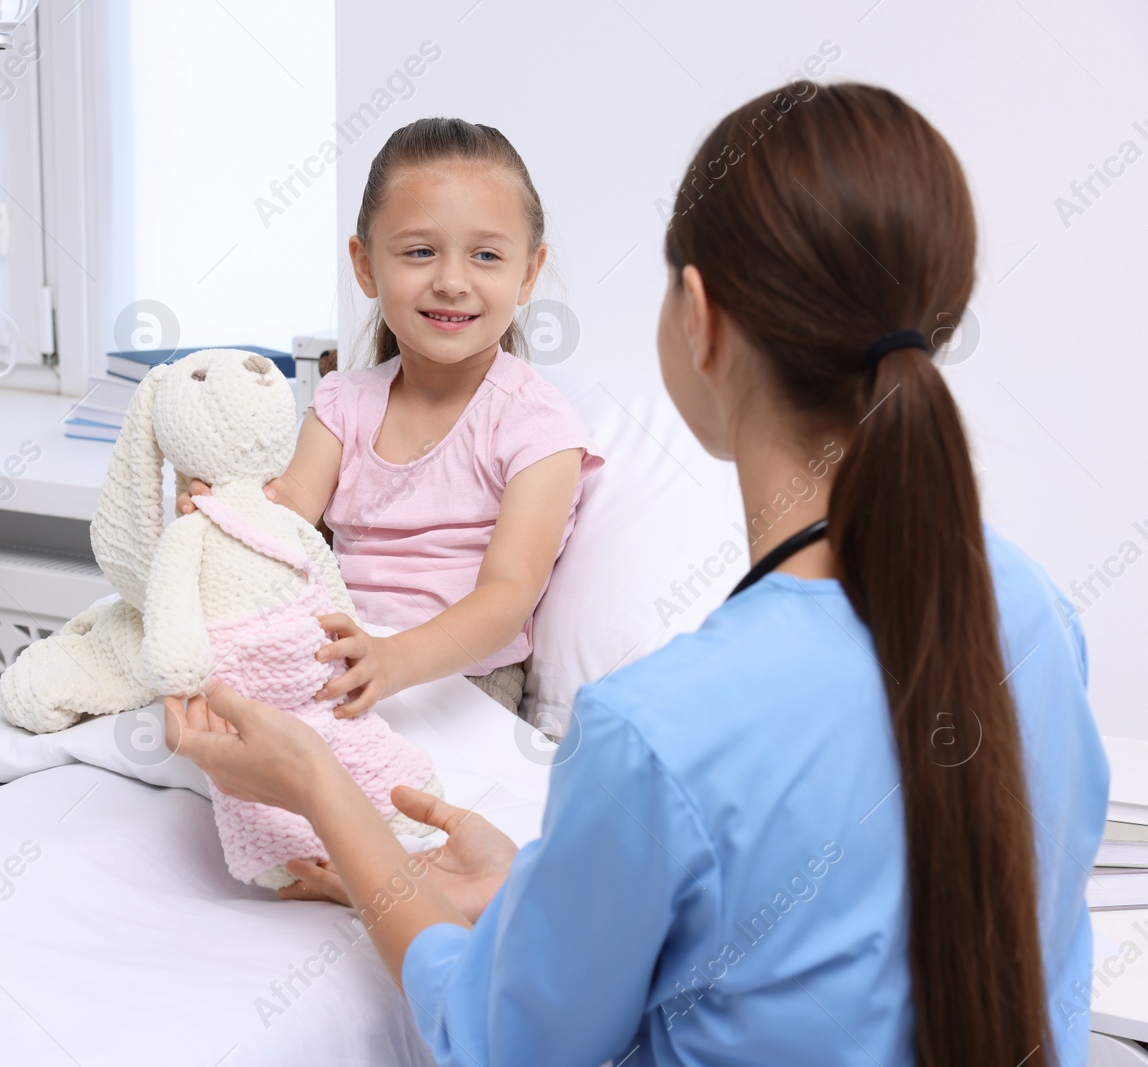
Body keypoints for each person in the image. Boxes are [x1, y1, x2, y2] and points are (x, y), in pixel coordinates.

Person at [164, 83, 1109, 1066]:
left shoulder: (653, 731)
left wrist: (321, 786)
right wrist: (536, 877)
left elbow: (494, 1044)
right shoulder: (1033, 609)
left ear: (696, 317)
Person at [180, 117, 603, 717]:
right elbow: (286, 519)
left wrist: (393, 660)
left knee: (379, 791)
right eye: (420, 252)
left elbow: (509, 593)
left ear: (528, 273)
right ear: (366, 265)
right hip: (332, 656)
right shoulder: (342, 404)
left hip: (460, 678)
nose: (452, 281)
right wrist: (224, 514)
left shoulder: (537, 427)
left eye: (486, 255)